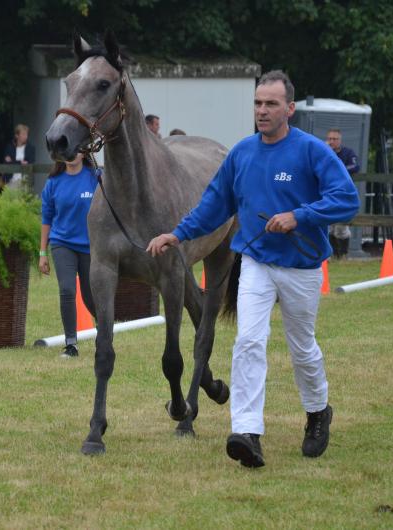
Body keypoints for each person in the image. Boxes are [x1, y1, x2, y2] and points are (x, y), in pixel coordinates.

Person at [146, 70, 359, 468]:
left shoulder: (312, 152)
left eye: (271, 104)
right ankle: (246, 433)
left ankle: (318, 412)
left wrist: (300, 215)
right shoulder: (241, 153)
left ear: (289, 109)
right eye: (258, 103)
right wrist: (177, 234)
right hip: (256, 263)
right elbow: (214, 205)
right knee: (248, 342)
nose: (262, 111)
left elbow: (347, 200)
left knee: (302, 349)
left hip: (301, 266)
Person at [39, 153, 99, 357]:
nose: (72, 155)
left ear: (83, 152)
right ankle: (71, 344)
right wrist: (42, 253)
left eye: (76, 151)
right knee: (67, 290)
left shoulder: (96, 177)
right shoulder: (53, 182)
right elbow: (46, 218)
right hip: (61, 243)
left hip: (90, 246)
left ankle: (105, 334)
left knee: (91, 296)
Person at [325, 128, 360, 258]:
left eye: (335, 139)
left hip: (343, 195)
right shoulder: (324, 152)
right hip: (326, 194)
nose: (332, 141)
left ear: (340, 140)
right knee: (328, 226)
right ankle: (333, 254)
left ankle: (343, 255)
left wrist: (339, 169)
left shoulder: (348, 153)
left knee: (341, 227)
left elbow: (355, 166)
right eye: (330, 139)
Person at [3, 124, 36, 188]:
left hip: (25, 181)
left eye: (26, 134)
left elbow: (31, 162)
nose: (25, 136)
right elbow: (7, 163)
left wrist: (13, 161)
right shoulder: (9, 147)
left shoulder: (31, 148)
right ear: (16, 135)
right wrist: (20, 163)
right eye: (23, 134)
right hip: (11, 181)